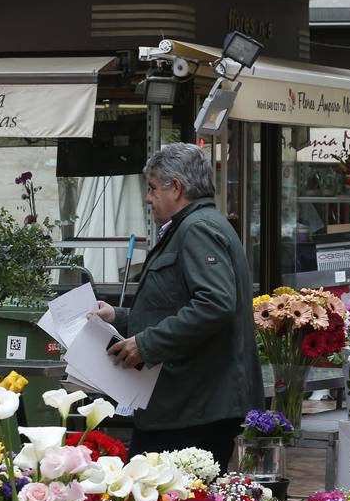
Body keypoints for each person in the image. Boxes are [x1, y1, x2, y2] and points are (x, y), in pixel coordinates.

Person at [93, 143, 262, 471]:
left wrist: (146, 344)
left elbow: (214, 304)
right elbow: (176, 306)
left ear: (177, 188)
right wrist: (121, 318)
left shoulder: (198, 228)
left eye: (153, 188)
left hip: (194, 407)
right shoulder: (194, 227)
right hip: (190, 404)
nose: (148, 197)